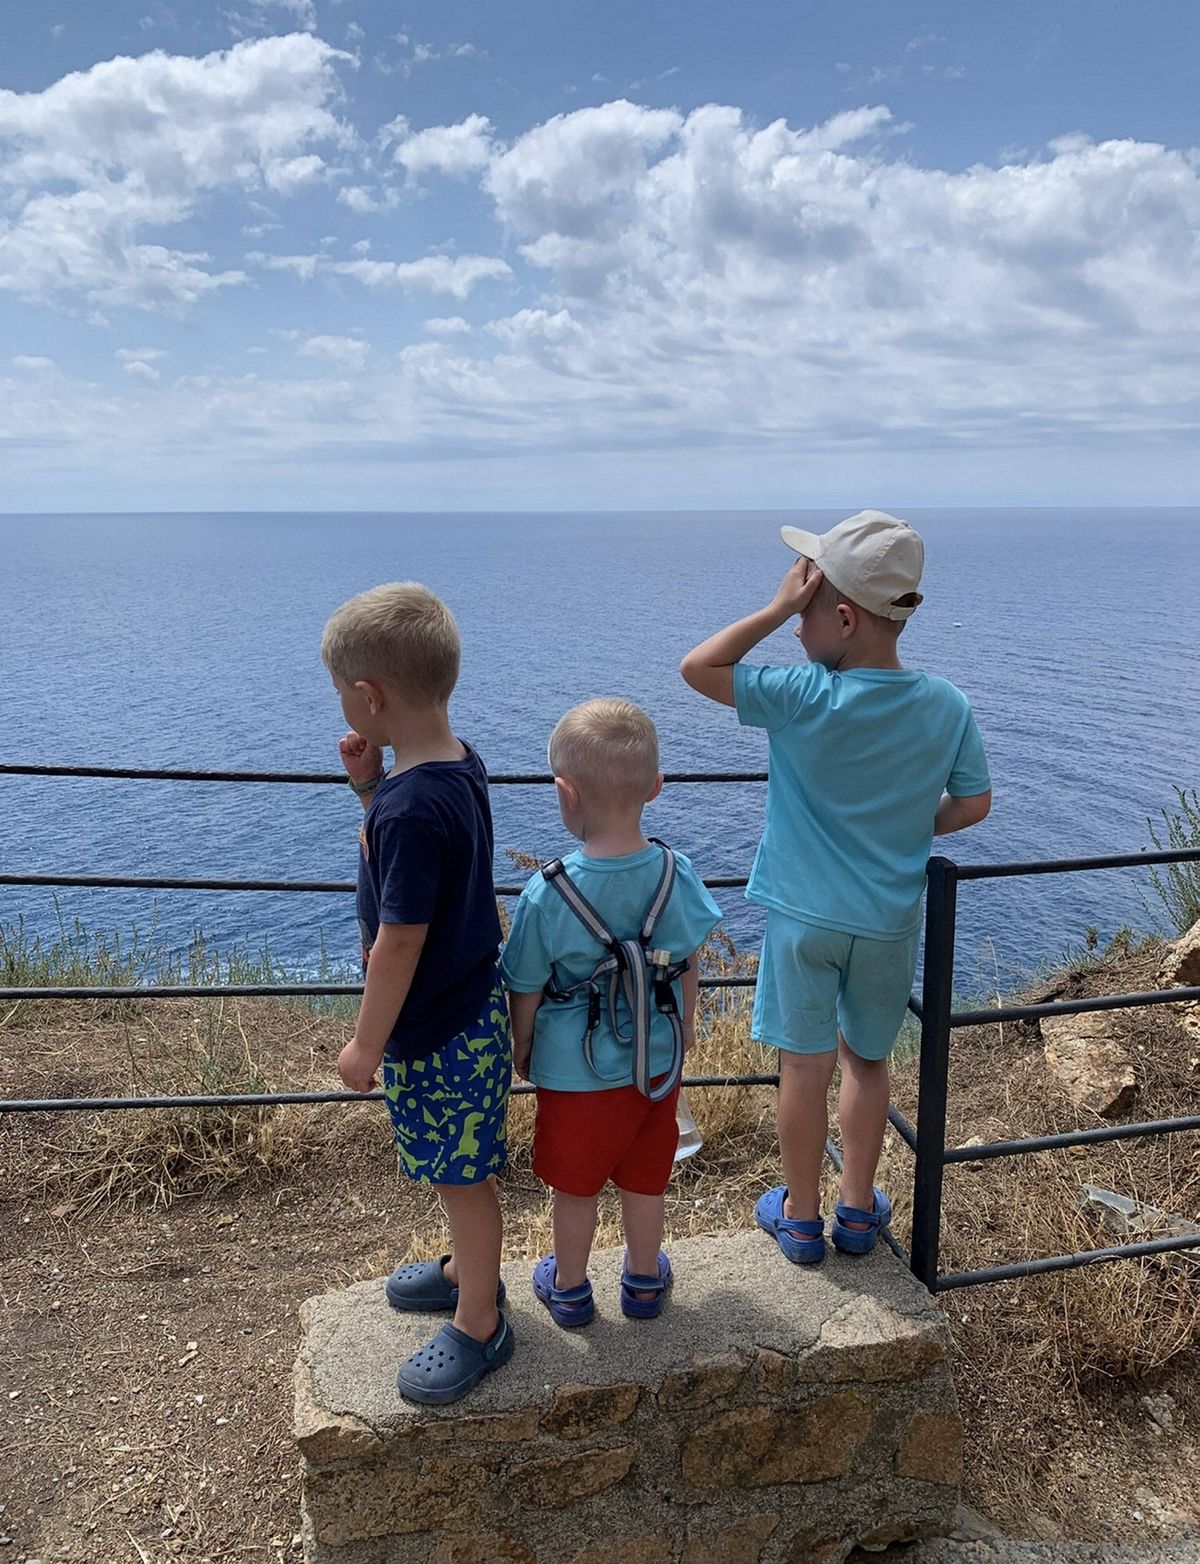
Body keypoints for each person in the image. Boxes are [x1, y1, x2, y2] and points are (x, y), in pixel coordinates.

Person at [680, 511, 991, 1263]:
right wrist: (910, 826)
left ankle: (799, 1216)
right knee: (867, 1063)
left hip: (802, 918)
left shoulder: (802, 695)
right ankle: (856, 1210)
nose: (796, 626)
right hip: (886, 920)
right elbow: (973, 803)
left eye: (807, 608)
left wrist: (772, 607)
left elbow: (699, 668)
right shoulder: (946, 704)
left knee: (802, 1067)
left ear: (845, 618)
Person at [323, 581, 512, 1403]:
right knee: (455, 1169)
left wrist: (365, 1044)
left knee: (463, 1180)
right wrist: (371, 788)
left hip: (437, 1030)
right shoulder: (457, 764)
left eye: (342, 693)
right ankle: (465, 1271)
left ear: (371, 697)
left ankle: (481, 1320)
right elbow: (425, 867)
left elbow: (399, 940)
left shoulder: (408, 809)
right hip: (470, 1008)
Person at [501, 698, 722, 1325]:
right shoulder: (677, 874)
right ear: (655, 786)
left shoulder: (547, 893)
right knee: (646, 1180)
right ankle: (644, 1282)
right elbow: (688, 963)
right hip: (656, 1063)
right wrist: (687, 1030)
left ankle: (570, 1288)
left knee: (576, 1187)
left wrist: (523, 1045)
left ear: (565, 792)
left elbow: (524, 984)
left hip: (575, 1072)